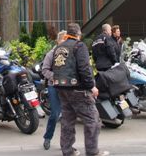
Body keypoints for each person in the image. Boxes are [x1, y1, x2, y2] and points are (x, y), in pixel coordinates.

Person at [52, 23, 107, 156]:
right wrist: (91, 86)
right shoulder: (79, 46)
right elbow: (84, 69)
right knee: (92, 119)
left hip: (62, 88)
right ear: (78, 34)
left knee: (67, 120)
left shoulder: (59, 47)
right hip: (78, 89)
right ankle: (92, 151)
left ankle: (68, 151)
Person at [41, 30, 67, 150]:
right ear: (58, 41)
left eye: (67, 40)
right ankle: (47, 137)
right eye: (63, 39)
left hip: (67, 87)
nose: (65, 42)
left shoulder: (70, 54)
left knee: (67, 115)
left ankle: (65, 142)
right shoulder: (51, 54)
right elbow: (44, 70)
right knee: (55, 114)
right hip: (54, 86)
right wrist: (56, 77)